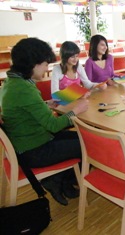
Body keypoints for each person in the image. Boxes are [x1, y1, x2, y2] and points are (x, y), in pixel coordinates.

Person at [1, 38, 89, 206]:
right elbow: (53, 125)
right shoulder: (25, 88)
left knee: (82, 137)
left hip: (29, 140)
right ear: (33, 64)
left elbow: (24, 108)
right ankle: (57, 179)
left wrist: (45, 104)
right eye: (44, 64)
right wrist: (76, 109)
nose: (46, 68)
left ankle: (63, 181)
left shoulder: (11, 82)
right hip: (34, 150)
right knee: (89, 144)